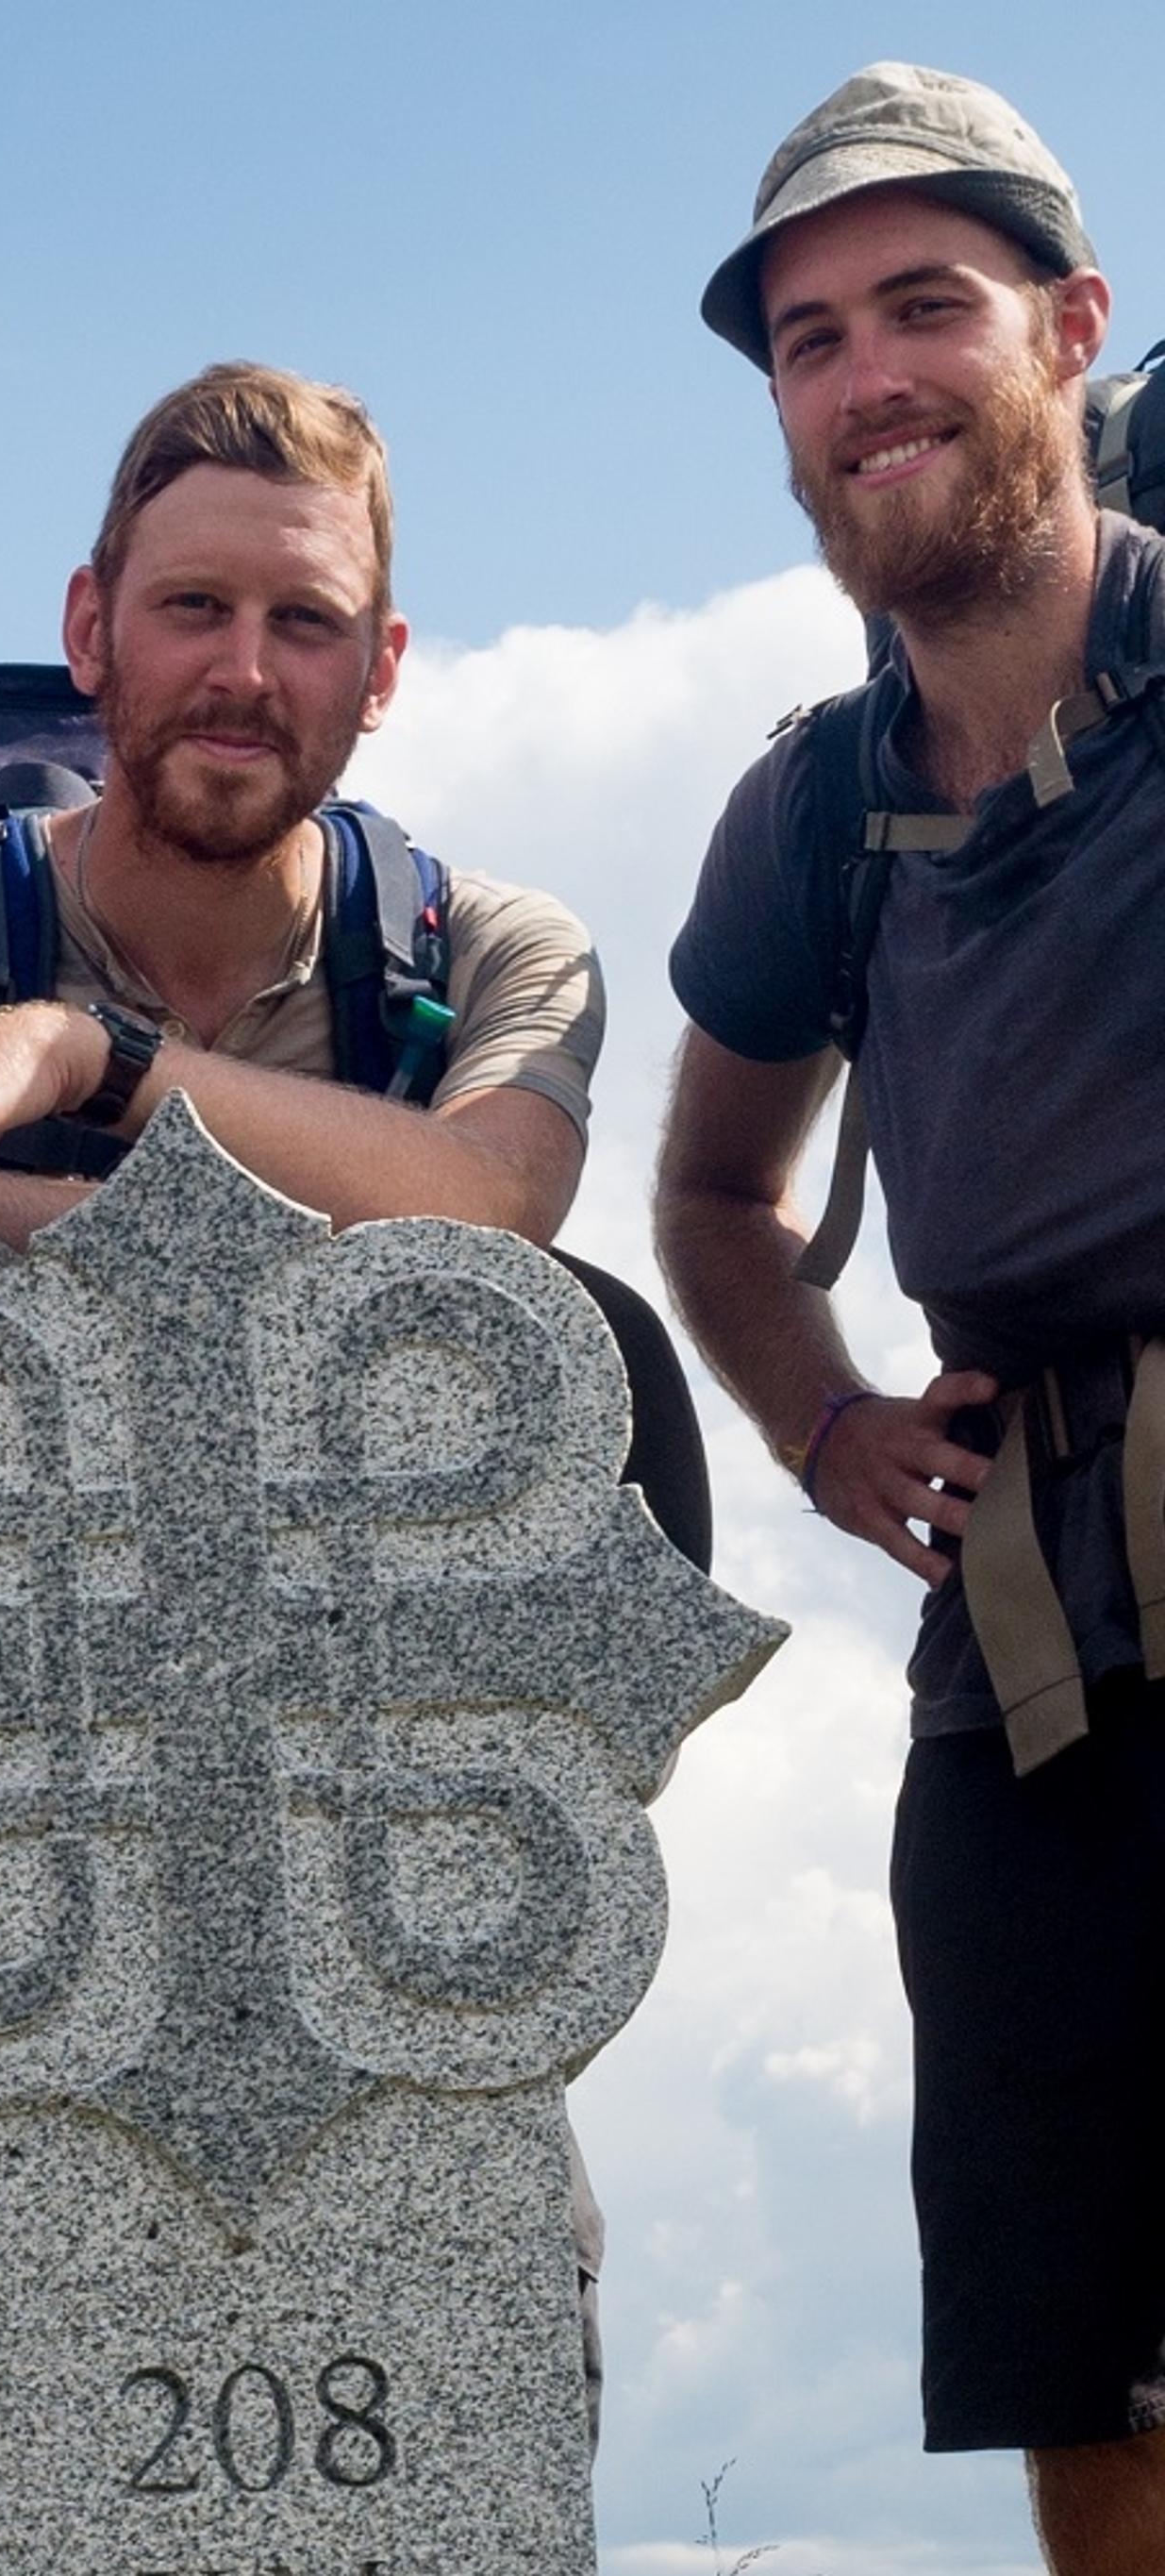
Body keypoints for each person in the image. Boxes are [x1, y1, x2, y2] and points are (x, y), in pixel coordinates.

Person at [0, 361, 609, 2575]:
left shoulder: (487, 953)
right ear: (91, 622)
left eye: (304, 623)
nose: (242, 670)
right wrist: (293, 1255)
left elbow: (498, 1225)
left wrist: (69, 1071)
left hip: (393, 1945)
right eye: (191, 608)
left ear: (382, 669)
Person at [656, 62, 1165, 2576]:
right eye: (808, 336)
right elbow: (717, 1193)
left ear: (1073, 329)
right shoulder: (811, 812)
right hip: (1033, 1654)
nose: (863, 375)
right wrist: (835, 1425)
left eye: (925, 306)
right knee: (1088, 2353)